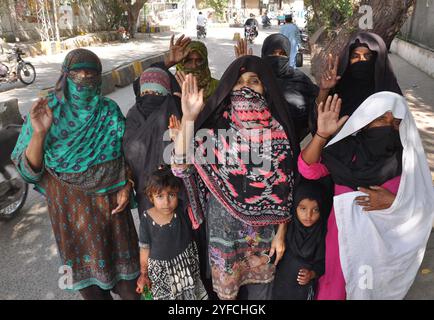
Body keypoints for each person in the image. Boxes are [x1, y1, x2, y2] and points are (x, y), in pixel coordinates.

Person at [11, 48, 140, 300]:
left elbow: (128, 156)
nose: (84, 78)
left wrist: (128, 184)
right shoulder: (47, 112)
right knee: (92, 292)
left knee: (131, 289)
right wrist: (39, 133)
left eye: (91, 75)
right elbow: (29, 172)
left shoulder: (109, 111)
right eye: (77, 74)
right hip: (71, 219)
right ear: (64, 76)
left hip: (114, 215)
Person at [171, 55, 299, 300]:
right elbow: (180, 166)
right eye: (239, 82)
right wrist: (188, 118)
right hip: (224, 236)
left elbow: (286, 189)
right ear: (230, 88)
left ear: (266, 88)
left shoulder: (279, 133)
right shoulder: (216, 131)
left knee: (262, 295)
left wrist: (281, 234)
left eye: (254, 81)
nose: (246, 87)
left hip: (263, 237)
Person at [299, 92, 434, 299]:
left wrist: (395, 202)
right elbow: (308, 168)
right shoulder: (345, 153)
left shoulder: (408, 161)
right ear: (365, 122)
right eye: (381, 119)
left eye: (396, 122)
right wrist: (322, 135)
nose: (389, 126)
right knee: (334, 289)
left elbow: (426, 206)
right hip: (341, 243)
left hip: (381, 252)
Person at [136, 167, 208, 300]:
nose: (166, 202)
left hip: (186, 267)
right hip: (161, 273)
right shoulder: (146, 219)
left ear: (177, 193)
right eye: (160, 196)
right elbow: (144, 248)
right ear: (151, 197)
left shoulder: (182, 209)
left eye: (171, 195)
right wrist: (143, 273)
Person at [316, 32, 402, 120]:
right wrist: (324, 90)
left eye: (368, 56)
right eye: (355, 56)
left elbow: (399, 122)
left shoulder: (388, 89)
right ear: (348, 59)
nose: (362, 60)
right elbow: (318, 116)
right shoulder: (341, 86)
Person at [273, 179, 327, 300]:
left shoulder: (322, 233)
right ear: (295, 207)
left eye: (315, 210)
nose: (309, 215)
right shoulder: (286, 228)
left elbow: (323, 264)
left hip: (302, 290)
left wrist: (311, 274)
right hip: (280, 284)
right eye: (303, 209)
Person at [261, 33, 319, 141]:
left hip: (291, 145)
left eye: (282, 53)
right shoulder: (255, 78)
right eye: (272, 53)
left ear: (288, 56)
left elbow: (318, 101)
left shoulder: (299, 79)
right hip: (259, 143)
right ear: (264, 54)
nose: (277, 57)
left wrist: (326, 89)